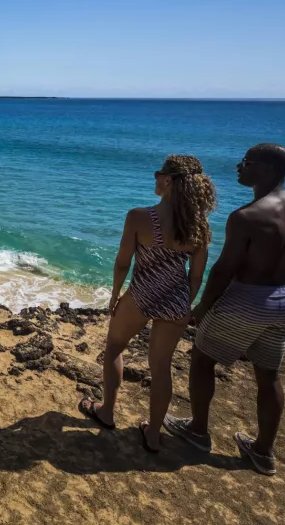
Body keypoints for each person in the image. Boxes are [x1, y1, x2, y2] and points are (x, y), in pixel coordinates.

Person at [164, 144, 285, 476]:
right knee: (269, 375)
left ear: (265, 169)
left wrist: (202, 306)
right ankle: (263, 452)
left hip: (245, 300)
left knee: (203, 359)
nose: (237, 166)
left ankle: (198, 431)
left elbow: (223, 270)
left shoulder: (246, 217)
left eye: (245, 162)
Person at [79, 155, 216, 453]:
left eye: (158, 174)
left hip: (141, 295)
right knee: (161, 367)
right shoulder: (200, 227)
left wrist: (115, 295)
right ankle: (153, 434)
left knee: (114, 347)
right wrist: (184, 304)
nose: (155, 178)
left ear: (168, 180)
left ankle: (107, 411)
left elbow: (122, 263)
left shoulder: (140, 217)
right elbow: (196, 276)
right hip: (176, 299)